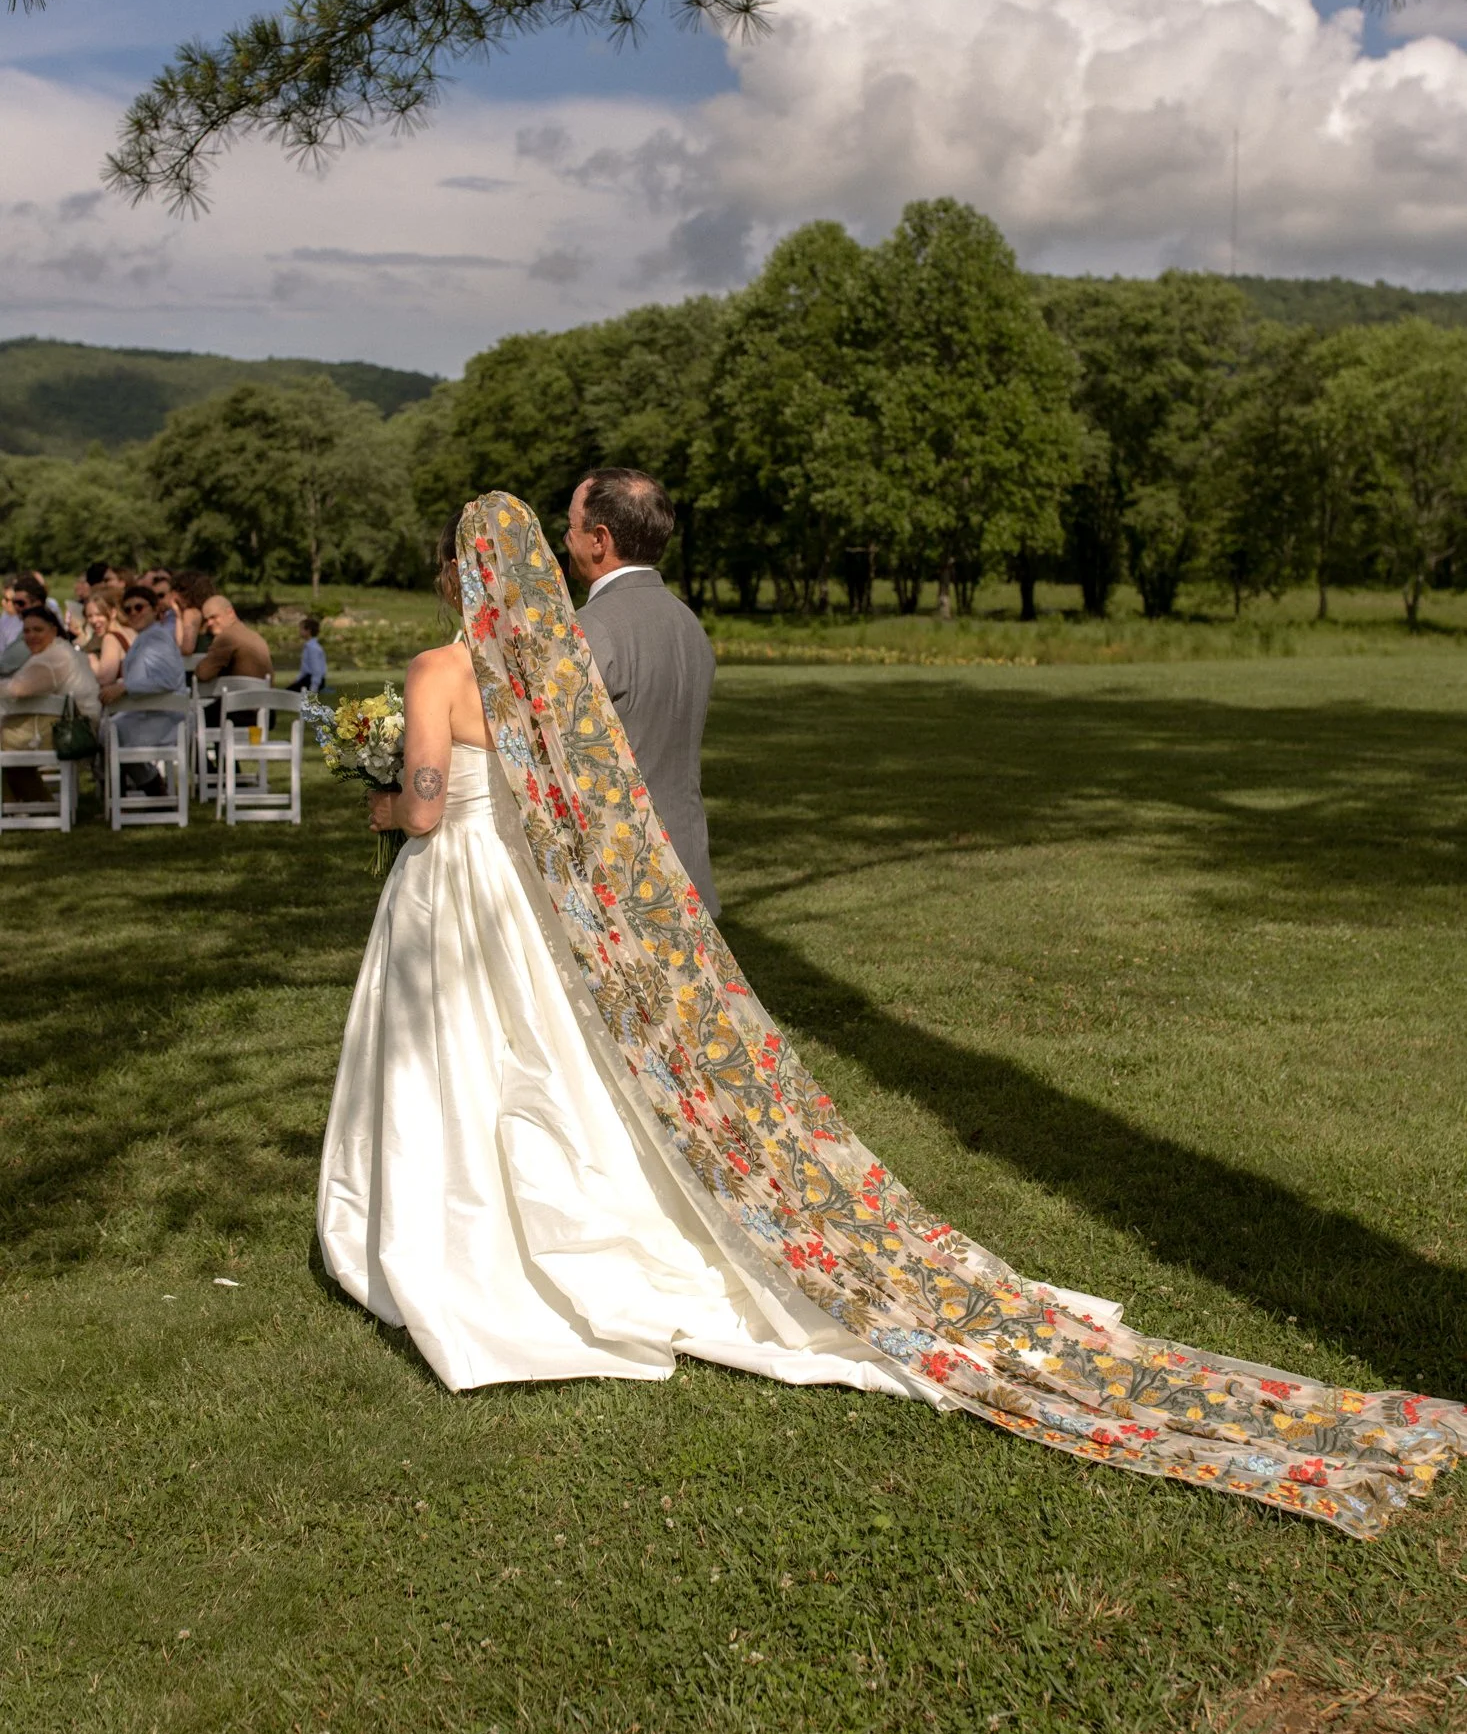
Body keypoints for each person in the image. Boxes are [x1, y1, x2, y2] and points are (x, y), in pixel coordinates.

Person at [317, 493, 1467, 1539]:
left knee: (470, 1071)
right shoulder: (547, 673)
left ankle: (479, 1243)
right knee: (564, 1069)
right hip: (545, 903)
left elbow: (423, 813)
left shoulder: (437, 670)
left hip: (453, 896)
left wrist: (377, 785)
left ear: (461, 577)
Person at [568, 467, 720, 917]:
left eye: (570, 525)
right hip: (687, 860)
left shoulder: (588, 628)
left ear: (599, 538)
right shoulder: (688, 623)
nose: (564, 539)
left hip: (622, 872)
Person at [0, 603, 100, 805]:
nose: (31, 636)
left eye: (38, 630)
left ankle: (13, 804)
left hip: (70, 733)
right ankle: (28, 802)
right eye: (26, 631)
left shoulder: (52, 659)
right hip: (71, 727)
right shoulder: (59, 650)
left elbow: (16, 689)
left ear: (53, 630)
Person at [97, 582, 187, 794]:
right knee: (106, 729)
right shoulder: (147, 636)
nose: (133, 613)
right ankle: (147, 787)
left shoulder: (156, 637)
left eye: (139, 607)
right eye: (128, 609)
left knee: (108, 732)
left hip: (164, 720)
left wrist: (125, 687)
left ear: (155, 609)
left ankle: (125, 795)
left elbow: (168, 680)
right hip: (150, 714)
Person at [195, 594, 274, 685]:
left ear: (230, 613)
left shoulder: (227, 637)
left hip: (241, 696)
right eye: (206, 620)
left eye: (214, 617)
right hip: (263, 694)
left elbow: (203, 674)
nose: (209, 623)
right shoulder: (255, 636)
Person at [288, 617, 328, 693]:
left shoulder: (313, 648)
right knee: (287, 694)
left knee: (287, 696)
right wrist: (297, 680)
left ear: (308, 631)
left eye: (301, 629)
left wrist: (313, 689)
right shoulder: (308, 646)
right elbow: (304, 669)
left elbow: (316, 670)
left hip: (312, 680)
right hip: (307, 678)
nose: (299, 631)